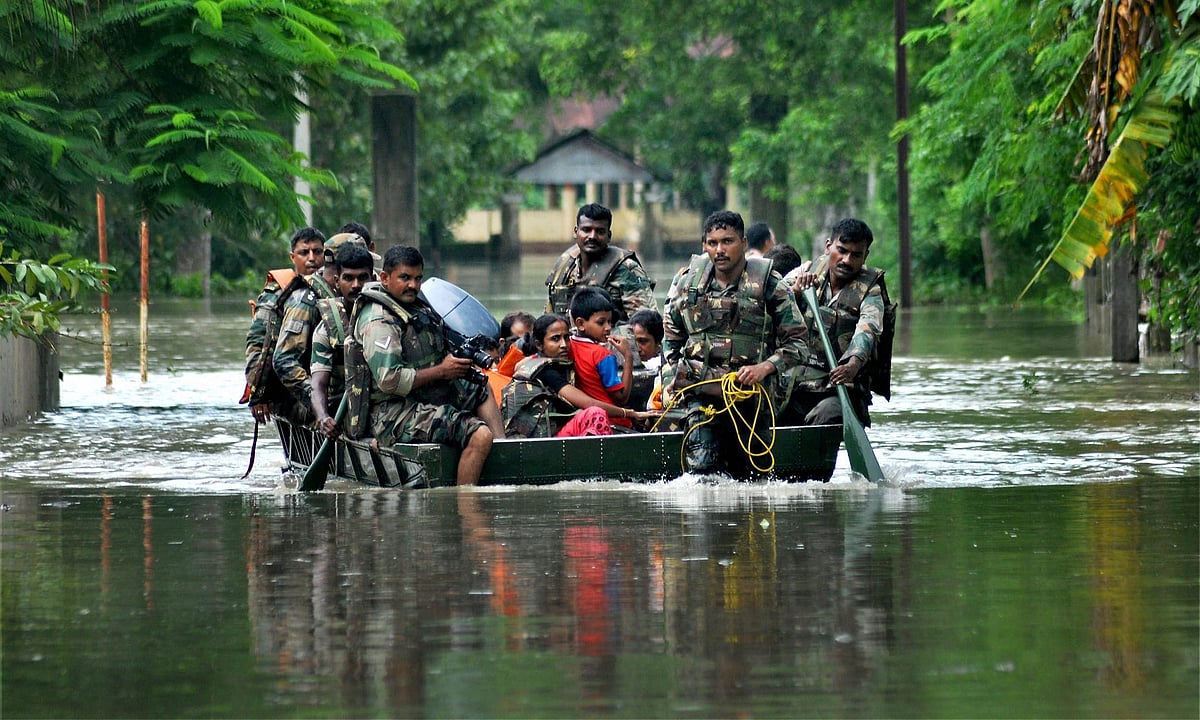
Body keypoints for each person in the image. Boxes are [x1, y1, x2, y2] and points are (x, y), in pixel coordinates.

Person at [662, 210, 810, 474]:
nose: (719, 250)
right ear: (704, 245)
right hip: (700, 392)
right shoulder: (688, 283)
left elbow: (798, 343)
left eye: (727, 241)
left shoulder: (770, 285)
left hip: (751, 396)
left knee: (752, 476)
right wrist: (671, 379)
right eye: (712, 243)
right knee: (703, 470)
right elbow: (671, 338)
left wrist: (764, 367)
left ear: (743, 243)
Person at [352, 245, 506, 485]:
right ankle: (467, 507)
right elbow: (389, 380)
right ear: (385, 278)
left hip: (421, 396)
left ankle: (504, 453)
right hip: (391, 413)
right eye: (404, 278)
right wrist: (442, 371)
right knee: (479, 434)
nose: (413, 285)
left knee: (480, 388)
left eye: (417, 278)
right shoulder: (379, 320)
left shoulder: (413, 307)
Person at [786, 218, 892, 427]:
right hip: (796, 385)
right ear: (828, 247)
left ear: (865, 256)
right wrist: (794, 293)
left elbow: (868, 329)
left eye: (856, 255)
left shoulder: (870, 291)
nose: (846, 260)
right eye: (842, 251)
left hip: (840, 389)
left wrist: (853, 363)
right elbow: (770, 302)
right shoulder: (804, 272)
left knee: (825, 416)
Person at [501, 314, 657, 438]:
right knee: (595, 414)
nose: (563, 344)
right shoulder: (546, 371)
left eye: (566, 337)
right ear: (540, 345)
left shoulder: (543, 361)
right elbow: (588, 403)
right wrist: (629, 413)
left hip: (553, 431)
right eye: (555, 339)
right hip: (539, 440)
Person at [272, 232, 365, 421]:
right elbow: (284, 361)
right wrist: (318, 400)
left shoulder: (351, 296)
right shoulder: (305, 300)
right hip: (311, 401)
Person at [241, 226, 326, 426]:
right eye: (304, 253)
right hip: (288, 386)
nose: (312, 258)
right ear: (292, 257)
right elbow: (258, 344)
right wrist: (260, 393)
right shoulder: (277, 294)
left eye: (318, 252)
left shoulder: (334, 286)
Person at [545, 203, 657, 324]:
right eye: (586, 230)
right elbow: (548, 321)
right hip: (568, 341)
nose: (592, 236)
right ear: (576, 232)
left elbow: (647, 327)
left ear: (608, 236)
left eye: (600, 231)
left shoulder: (627, 270)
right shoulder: (564, 268)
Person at [309, 244, 375, 438]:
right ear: (337, 281)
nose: (356, 285)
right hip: (347, 408)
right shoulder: (326, 330)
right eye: (349, 278)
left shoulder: (387, 317)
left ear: (373, 278)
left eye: (362, 278)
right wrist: (323, 418)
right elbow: (318, 384)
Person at [567, 287, 634, 429]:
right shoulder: (603, 355)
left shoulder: (568, 345)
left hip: (581, 420)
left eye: (609, 322)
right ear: (580, 324)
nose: (608, 327)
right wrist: (628, 356)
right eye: (601, 322)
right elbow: (621, 399)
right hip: (612, 422)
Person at [626, 308, 664, 414]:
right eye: (633, 341)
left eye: (643, 341)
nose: (637, 348)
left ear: (658, 343)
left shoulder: (664, 368)